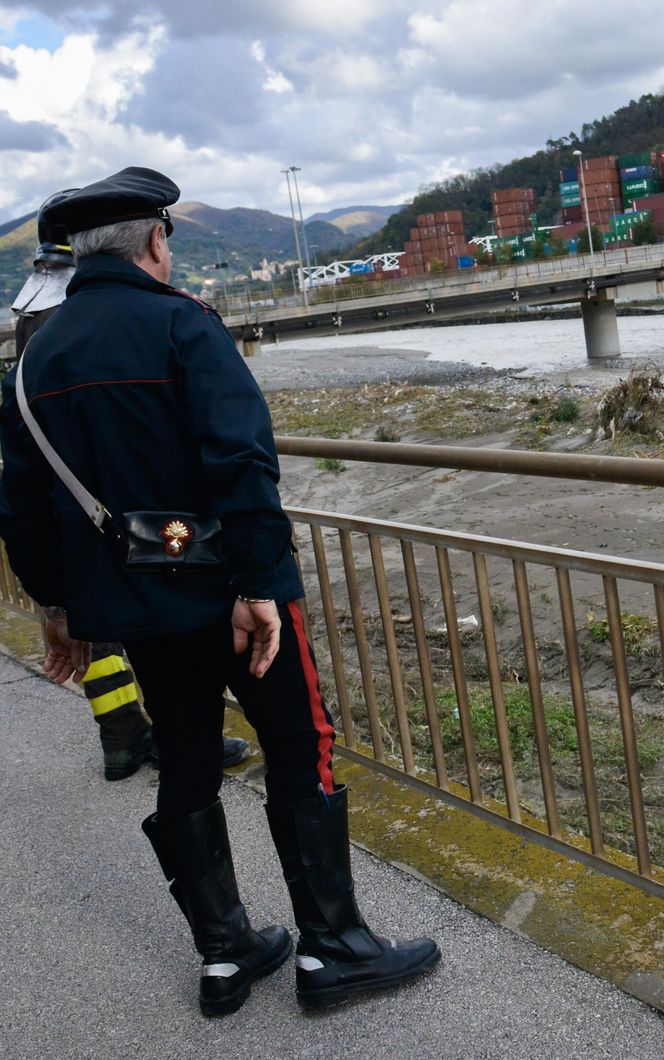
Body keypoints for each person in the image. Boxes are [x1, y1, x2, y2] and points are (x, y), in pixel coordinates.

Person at [0, 166, 439, 1016]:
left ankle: (226, 952)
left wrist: (58, 612)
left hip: (136, 612)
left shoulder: (33, 360)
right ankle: (334, 949)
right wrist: (262, 585)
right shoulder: (183, 325)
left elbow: (19, 504)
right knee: (297, 745)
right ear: (155, 243)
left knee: (188, 758)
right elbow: (242, 462)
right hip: (232, 601)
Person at [11, 190, 249, 781]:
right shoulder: (87, 312)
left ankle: (123, 735)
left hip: (74, 509)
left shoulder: (31, 309)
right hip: (141, 514)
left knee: (102, 635)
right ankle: (168, 738)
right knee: (156, 637)